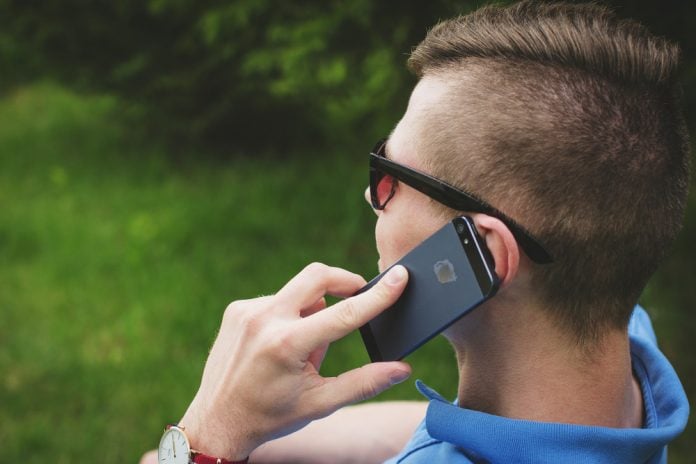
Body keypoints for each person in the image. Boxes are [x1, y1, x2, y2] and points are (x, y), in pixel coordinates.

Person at [142, 2, 690, 463]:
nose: (369, 196)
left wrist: (208, 435)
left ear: (486, 252)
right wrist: (267, 440)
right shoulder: (626, 352)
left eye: (390, 177)